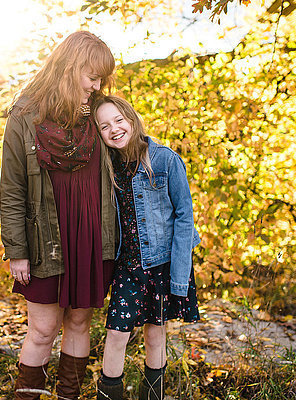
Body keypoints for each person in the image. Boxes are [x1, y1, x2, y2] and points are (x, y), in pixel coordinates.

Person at [0, 31, 116, 399]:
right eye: (91, 76)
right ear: (69, 67)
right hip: (43, 241)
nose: (96, 84)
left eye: (101, 78)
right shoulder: (24, 116)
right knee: (42, 330)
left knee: (80, 322)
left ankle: (68, 395)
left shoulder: (100, 113)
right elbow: (12, 189)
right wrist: (16, 250)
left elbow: (133, 145)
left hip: (94, 236)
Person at [92, 95, 201, 400]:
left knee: (155, 334)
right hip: (127, 266)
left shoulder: (165, 160)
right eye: (104, 126)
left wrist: (180, 276)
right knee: (116, 334)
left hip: (161, 263)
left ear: (132, 119)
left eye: (118, 120)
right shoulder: (107, 166)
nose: (114, 129)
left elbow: (184, 217)